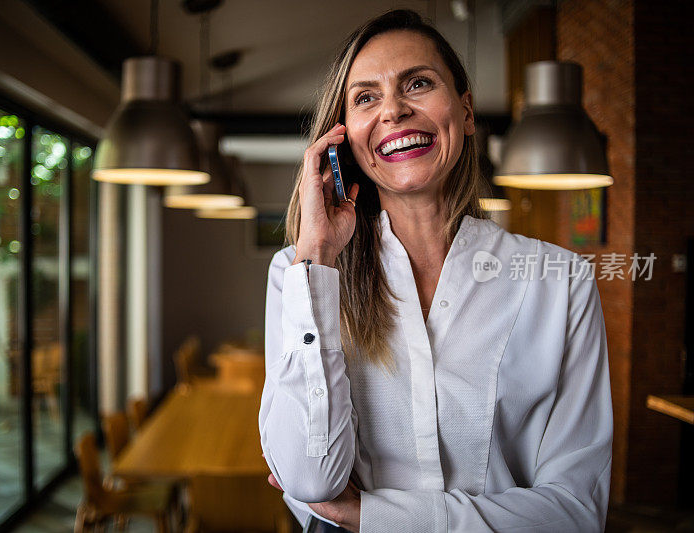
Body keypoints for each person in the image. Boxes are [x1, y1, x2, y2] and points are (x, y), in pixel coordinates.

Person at [259, 9, 612, 533]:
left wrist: (373, 516)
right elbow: (312, 483)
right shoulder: (299, 272)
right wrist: (317, 256)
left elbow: (575, 514)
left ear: (465, 111)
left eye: (418, 83)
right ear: (344, 136)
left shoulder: (560, 281)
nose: (395, 110)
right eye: (365, 97)